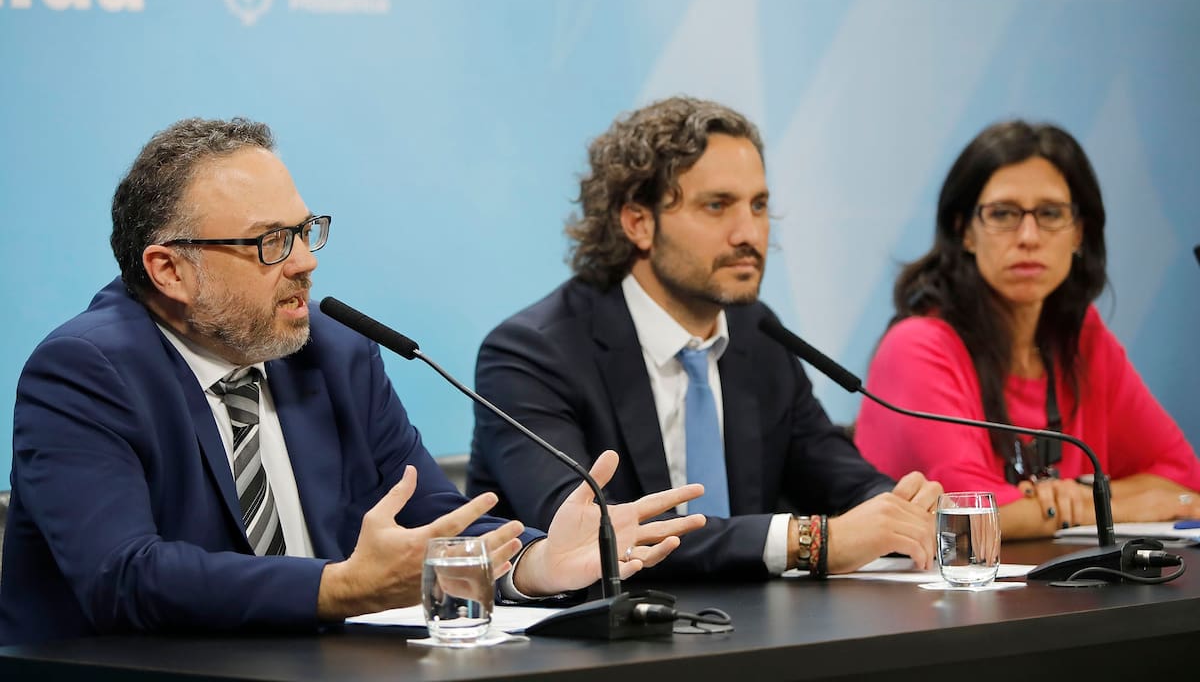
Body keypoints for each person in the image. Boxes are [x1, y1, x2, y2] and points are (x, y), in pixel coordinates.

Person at [0, 117, 706, 647]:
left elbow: (432, 520)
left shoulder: (335, 353)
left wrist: (536, 563)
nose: (306, 262)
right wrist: (337, 588)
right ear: (168, 271)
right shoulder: (87, 371)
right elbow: (124, 577)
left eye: (306, 230)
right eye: (270, 242)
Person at [467, 96, 941, 580]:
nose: (749, 233)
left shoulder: (758, 334)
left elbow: (834, 471)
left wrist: (895, 508)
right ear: (638, 223)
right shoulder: (533, 353)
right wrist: (813, 543)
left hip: (752, 629)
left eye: (758, 206)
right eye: (717, 206)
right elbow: (594, 537)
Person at [853, 120, 1200, 539]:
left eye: (1051, 214)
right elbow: (969, 513)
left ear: (1078, 234)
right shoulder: (918, 347)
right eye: (1003, 214)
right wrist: (1097, 506)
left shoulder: (1081, 338)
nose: (1029, 236)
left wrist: (1074, 498)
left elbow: (1183, 479)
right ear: (964, 231)